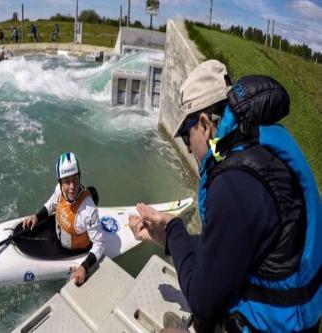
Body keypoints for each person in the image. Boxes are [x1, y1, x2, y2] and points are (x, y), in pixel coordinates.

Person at [129, 60, 321, 332]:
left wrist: (173, 228)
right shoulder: (264, 142)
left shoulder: (235, 183)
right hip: (298, 316)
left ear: (205, 125)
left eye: (187, 136)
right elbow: (227, 247)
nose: (187, 148)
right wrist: (167, 239)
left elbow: (202, 300)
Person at [23, 152, 105, 286]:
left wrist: (84, 267)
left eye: (75, 179)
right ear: (60, 182)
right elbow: (52, 204)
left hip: (73, 252)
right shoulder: (60, 190)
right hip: (57, 236)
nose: (72, 186)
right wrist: (37, 216)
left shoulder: (89, 211)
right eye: (67, 181)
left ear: (79, 176)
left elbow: (100, 244)